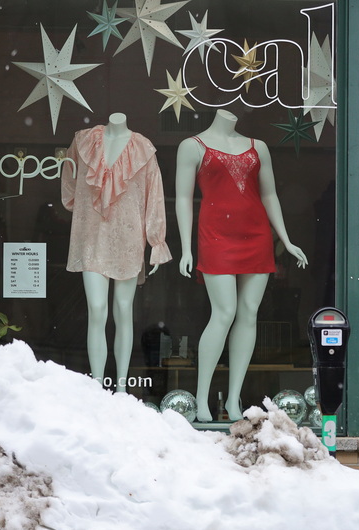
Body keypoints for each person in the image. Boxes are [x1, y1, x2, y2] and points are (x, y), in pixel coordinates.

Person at [176, 109, 308, 422]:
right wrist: (185, 248)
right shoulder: (192, 146)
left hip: (256, 235)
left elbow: (270, 194)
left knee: (248, 314)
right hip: (216, 235)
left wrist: (285, 240)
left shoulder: (257, 146)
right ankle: (201, 397)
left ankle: (234, 400)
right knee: (224, 312)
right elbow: (183, 198)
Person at [61, 112, 171, 392]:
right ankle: (98, 386)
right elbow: (70, 183)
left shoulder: (143, 149)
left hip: (129, 239)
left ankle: (121, 386)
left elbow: (154, 196)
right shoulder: (82, 141)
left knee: (123, 310)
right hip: (91, 237)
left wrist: (156, 240)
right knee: (96, 310)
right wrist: (83, 208)